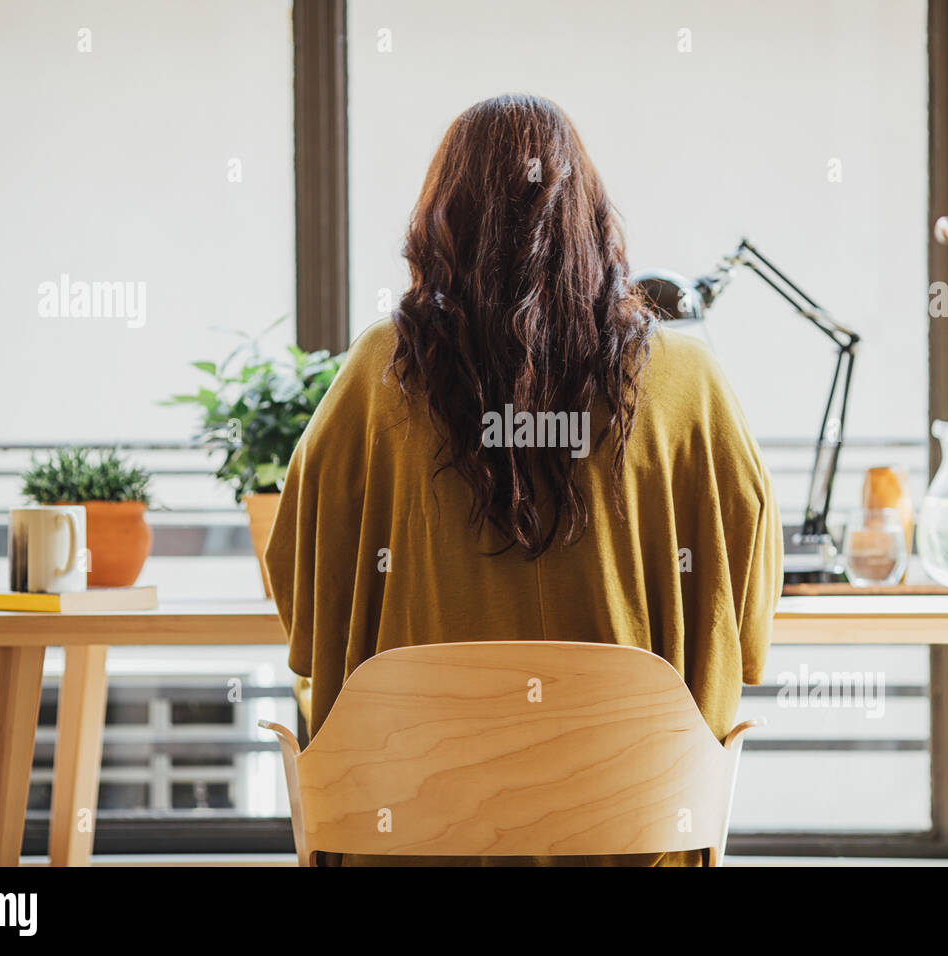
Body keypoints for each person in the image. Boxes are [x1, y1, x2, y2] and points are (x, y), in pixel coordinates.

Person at [266, 93, 783, 866]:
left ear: (442, 218)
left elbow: (299, 584)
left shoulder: (377, 374)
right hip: (632, 833)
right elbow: (742, 612)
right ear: (590, 214)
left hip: (407, 831)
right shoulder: (689, 380)